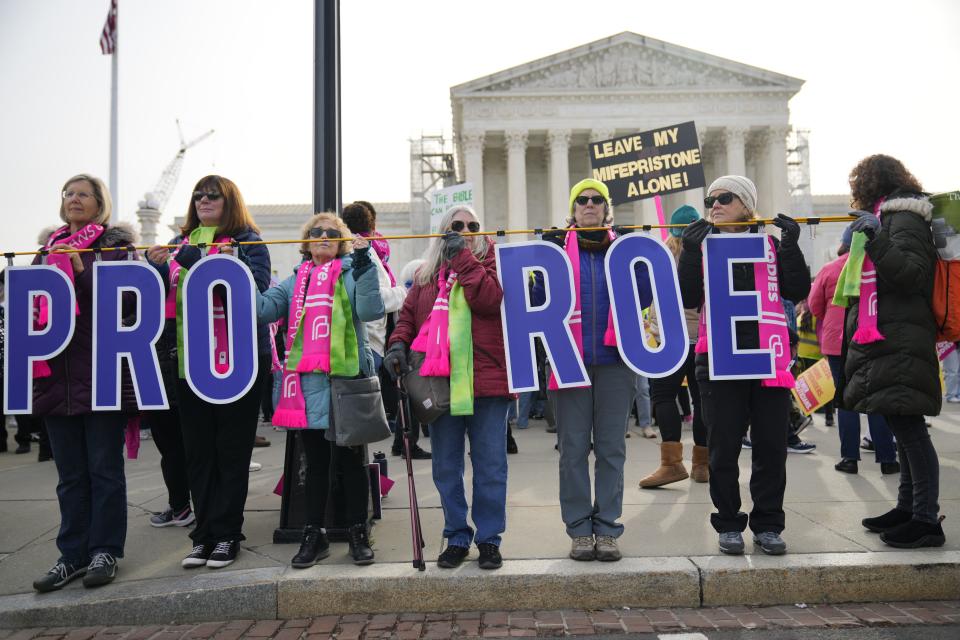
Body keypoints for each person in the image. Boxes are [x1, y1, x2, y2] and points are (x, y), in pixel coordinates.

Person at [678, 175, 810, 556]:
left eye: (725, 198)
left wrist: (790, 246)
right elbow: (687, 296)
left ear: (747, 205)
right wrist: (688, 251)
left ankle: (768, 524)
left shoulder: (769, 245)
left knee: (771, 447)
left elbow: (796, 290)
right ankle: (729, 522)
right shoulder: (703, 247)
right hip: (718, 357)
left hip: (767, 357)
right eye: (710, 199)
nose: (714, 205)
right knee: (723, 447)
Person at [145, 175, 272, 569]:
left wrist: (196, 263)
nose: (203, 199)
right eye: (197, 195)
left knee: (230, 452)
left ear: (229, 200)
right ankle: (203, 536)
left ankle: (228, 534)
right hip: (191, 361)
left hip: (238, 362)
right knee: (197, 454)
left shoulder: (248, 240)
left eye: (211, 195)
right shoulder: (184, 241)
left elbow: (257, 292)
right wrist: (154, 269)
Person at [384, 205, 511, 570]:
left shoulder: (491, 266)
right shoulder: (426, 276)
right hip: (439, 383)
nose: (466, 229)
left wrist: (464, 259)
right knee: (445, 466)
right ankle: (457, 534)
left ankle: (489, 538)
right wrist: (397, 344)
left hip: (487, 382)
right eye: (457, 226)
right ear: (443, 232)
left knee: (490, 465)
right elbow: (407, 317)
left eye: (473, 225)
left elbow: (488, 299)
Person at [534, 179, 653, 562]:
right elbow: (534, 300)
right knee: (572, 449)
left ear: (606, 209)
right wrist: (541, 262)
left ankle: (607, 527)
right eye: (582, 200)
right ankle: (579, 529)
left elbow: (646, 296)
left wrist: (639, 261)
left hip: (616, 361)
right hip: (570, 360)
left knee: (611, 449)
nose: (589, 205)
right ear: (573, 209)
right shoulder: (555, 252)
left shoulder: (621, 250)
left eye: (596, 200)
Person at [31, 174, 139, 592]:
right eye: (68, 194)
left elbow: (132, 300)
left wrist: (83, 272)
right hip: (56, 378)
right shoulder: (45, 250)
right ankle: (70, 555)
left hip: (102, 375)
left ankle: (104, 550)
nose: (74, 200)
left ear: (100, 204)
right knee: (70, 476)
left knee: (104, 471)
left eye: (83, 194)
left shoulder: (115, 248)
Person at [257, 212, 383, 567]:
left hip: (346, 380)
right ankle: (316, 533)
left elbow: (370, 310)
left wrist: (364, 265)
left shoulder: (351, 270)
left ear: (342, 240)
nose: (324, 235)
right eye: (316, 232)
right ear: (307, 241)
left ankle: (359, 530)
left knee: (351, 462)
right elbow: (263, 310)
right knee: (315, 465)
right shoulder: (295, 280)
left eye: (332, 232)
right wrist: (234, 273)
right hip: (308, 383)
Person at [838, 155, 945, 548]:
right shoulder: (892, 217)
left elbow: (911, 275)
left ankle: (926, 519)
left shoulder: (904, 219)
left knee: (912, 432)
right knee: (903, 428)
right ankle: (907, 508)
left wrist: (877, 238)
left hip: (903, 337)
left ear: (870, 184)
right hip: (892, 335)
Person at [808, 224, 898, 475]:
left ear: (845, 242)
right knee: (877, 398)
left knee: (846, 400)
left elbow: (815, 307)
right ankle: (888, 458)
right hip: (875, 340)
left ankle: (850, 458)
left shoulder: (830, 269)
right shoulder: (881, 266)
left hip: (838, 343)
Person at [342, 202, 429, 460]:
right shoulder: (368, 253)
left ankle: (402, 444)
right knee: (397, 400)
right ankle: (402, 445)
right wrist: (405, 292)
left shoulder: (359, 250)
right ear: (373, 224)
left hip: (373, 339)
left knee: (393, 399)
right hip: (373, 340)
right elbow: (377, 299)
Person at [640, 205, 708, 488]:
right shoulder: (709, 254)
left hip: (670, 337)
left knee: (663, 396)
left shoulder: (663, 256)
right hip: (703, 337)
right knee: (701, 398)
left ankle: (671, 463)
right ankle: (702, 464)